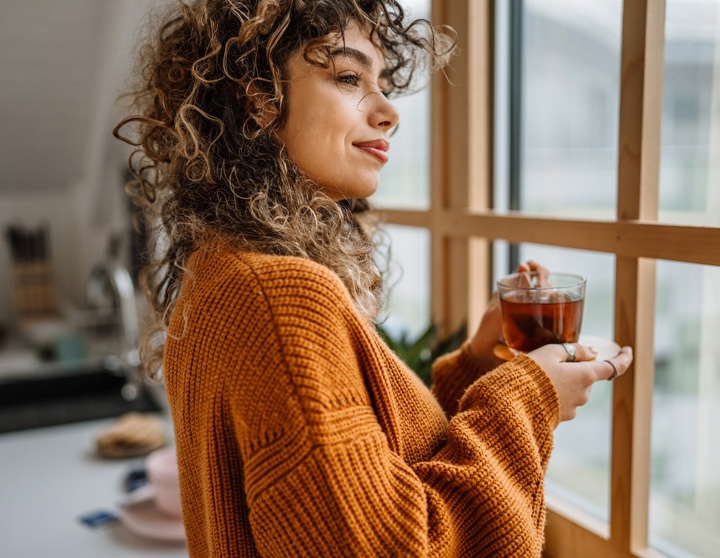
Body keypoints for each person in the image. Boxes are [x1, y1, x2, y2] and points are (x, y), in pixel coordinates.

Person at [115, 0, 633, 556]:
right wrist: (529, 397)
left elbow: (359, 478)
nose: (389, 111)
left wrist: (480, 367)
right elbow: (394, 546)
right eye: (347, 76)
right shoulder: (279, 297)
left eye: (382, 82)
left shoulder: (224, 270)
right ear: (261, 100)